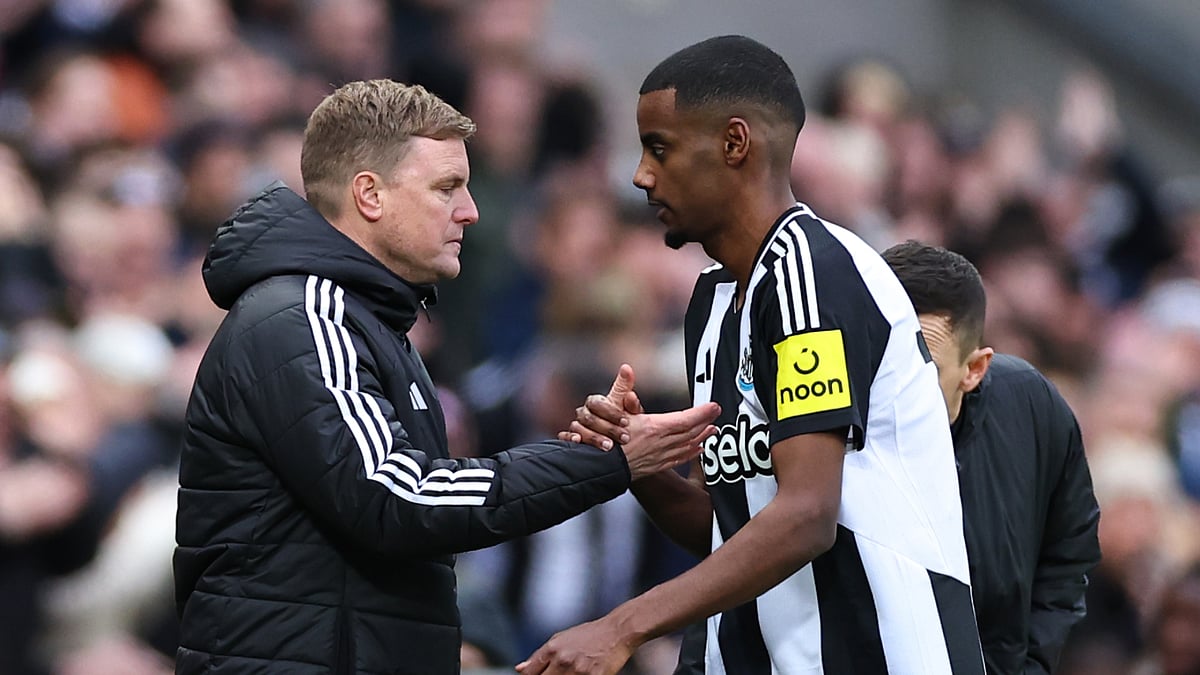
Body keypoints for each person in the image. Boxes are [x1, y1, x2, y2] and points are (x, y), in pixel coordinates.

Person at [173, 79, 721, 675]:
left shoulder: (364, 321)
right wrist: (605, 460)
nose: (470, 210)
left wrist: (589, 453)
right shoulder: (304, 316)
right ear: (370, 195)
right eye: (446, 188)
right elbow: (400, 496)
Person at [520, 36, 982, 675]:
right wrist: (638, 465)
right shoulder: (713, 301)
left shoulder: (809, 274)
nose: (640, 174)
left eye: (660, 148)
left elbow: (806, 515)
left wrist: (622, 626)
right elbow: (729, 526)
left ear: (735, 144)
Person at [881, 240, 1102, 674]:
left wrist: (1031, 664)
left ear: (975, 369)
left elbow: (1069, 547)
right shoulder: (828, 427)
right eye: (882, 359)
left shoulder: (1030, 407)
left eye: (924, 366)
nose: (895, 385)